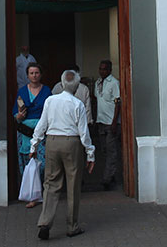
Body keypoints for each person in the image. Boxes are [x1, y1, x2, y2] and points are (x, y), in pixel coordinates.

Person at [30, 70, 95, 240]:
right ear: (77, 86)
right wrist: (90, 153)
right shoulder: (77, 104)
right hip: (71, 143)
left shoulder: (50, 100)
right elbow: (84, 132)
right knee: (73, 184)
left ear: (61, 83)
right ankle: (72, 226)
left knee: (51, 183)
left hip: (52, 141)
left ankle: (45, 222)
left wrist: (34, 145)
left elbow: (41, 124)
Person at [12, 62, 51, 207]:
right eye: (31, 73)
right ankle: (30, 195)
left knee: (42, 163)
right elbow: (15, 112)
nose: (34, 76)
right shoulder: (22, 91)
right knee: (27, 163)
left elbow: (51, 110)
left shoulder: (47, 91)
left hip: (41, 131)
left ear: (41, 74)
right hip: (25, 132)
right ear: (27, 75)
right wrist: (19, 116)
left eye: (36, 73)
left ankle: (42, 192)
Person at [94, 59, 120, 191]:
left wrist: (115, 121)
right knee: (104, 150)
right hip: (101, 121)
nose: (102, 71)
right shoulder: (98, 83)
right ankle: (111, 174)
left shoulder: (114, 83)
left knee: (111, 151)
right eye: (100, 69)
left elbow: (117, 103)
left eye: (104, 69)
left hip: (111, 122)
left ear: (109, 70)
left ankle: (107, 179)